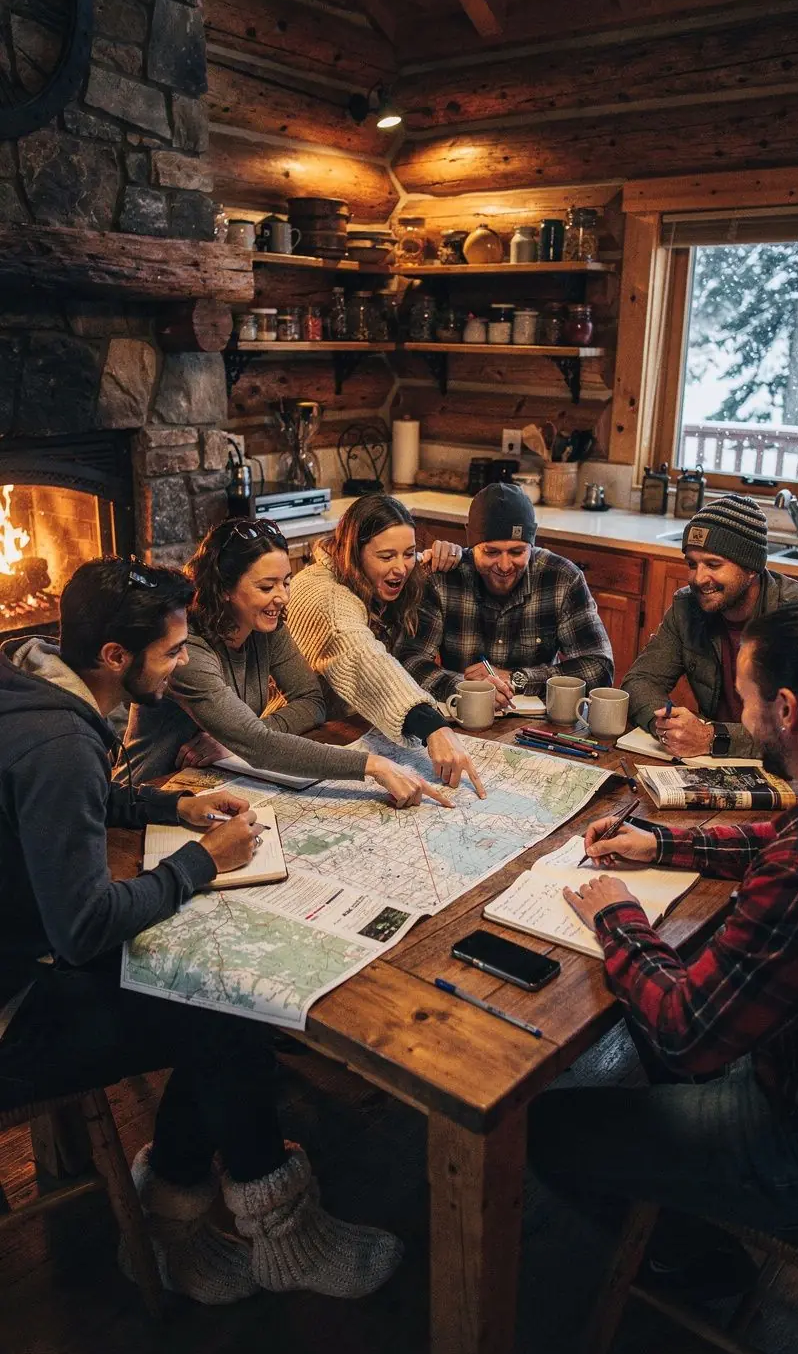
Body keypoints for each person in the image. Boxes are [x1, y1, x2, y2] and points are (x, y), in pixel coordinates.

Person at [0, 557, 403, 1305]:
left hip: (20, 959)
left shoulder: (27, 681)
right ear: (115, 658)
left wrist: (166, 808)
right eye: (173, 652)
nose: (185, 664)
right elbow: (85, 927)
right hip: (12, 1014)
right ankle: (283, 1238)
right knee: (223, 1005)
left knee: (202, 997)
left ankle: (173, 1202)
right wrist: (201, 862)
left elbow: (74, 801)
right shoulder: (59, 744)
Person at [528, 600, 798, 1251]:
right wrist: (659, 843)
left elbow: (688, 1032)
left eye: (744, 700)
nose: (740, 717)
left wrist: (617, 916)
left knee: (546, 1124)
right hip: (792, 1064)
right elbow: (776, 838)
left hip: (795, 1143)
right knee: (653, 999)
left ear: (788, 710)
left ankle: (693, 1257)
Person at [121, 516, 450, 809]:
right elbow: (260, 747)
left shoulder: (265, 623)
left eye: (286, 582)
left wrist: (234, 740)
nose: (282, 597)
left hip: (219, 782)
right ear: (224, 590)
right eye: (266, 586)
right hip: (150, 793)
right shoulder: (185, 649)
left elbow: (311, 701)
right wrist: (373, 765)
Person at [288, 494, 486, 795]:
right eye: (386, 557)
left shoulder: (367, 573)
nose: (401, 568)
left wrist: (453, 554)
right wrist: (433, 727)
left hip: (348, 727)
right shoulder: (326, 596)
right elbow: (364, 657)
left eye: (409, 553)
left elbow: (419, 561)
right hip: (301, 736)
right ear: (354, 551)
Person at [622, 493, 798, 758]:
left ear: (751, 568)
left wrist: (713, 738)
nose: (699, 578)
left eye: (713, 564)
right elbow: (639, 681)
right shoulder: (686, 608)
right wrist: (670, 726)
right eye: (692, 564)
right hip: (712, 766)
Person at [396, 483, 614, 708]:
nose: (504, 565)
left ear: (533, 542)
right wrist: (467, 689)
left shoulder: (562, 578)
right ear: (471, 542)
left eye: (517, 552)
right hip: (464, 714)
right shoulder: (444, 577)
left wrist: (519, 678)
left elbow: (599, 668)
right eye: (491, 552)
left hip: (538, 726)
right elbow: (408, 661)